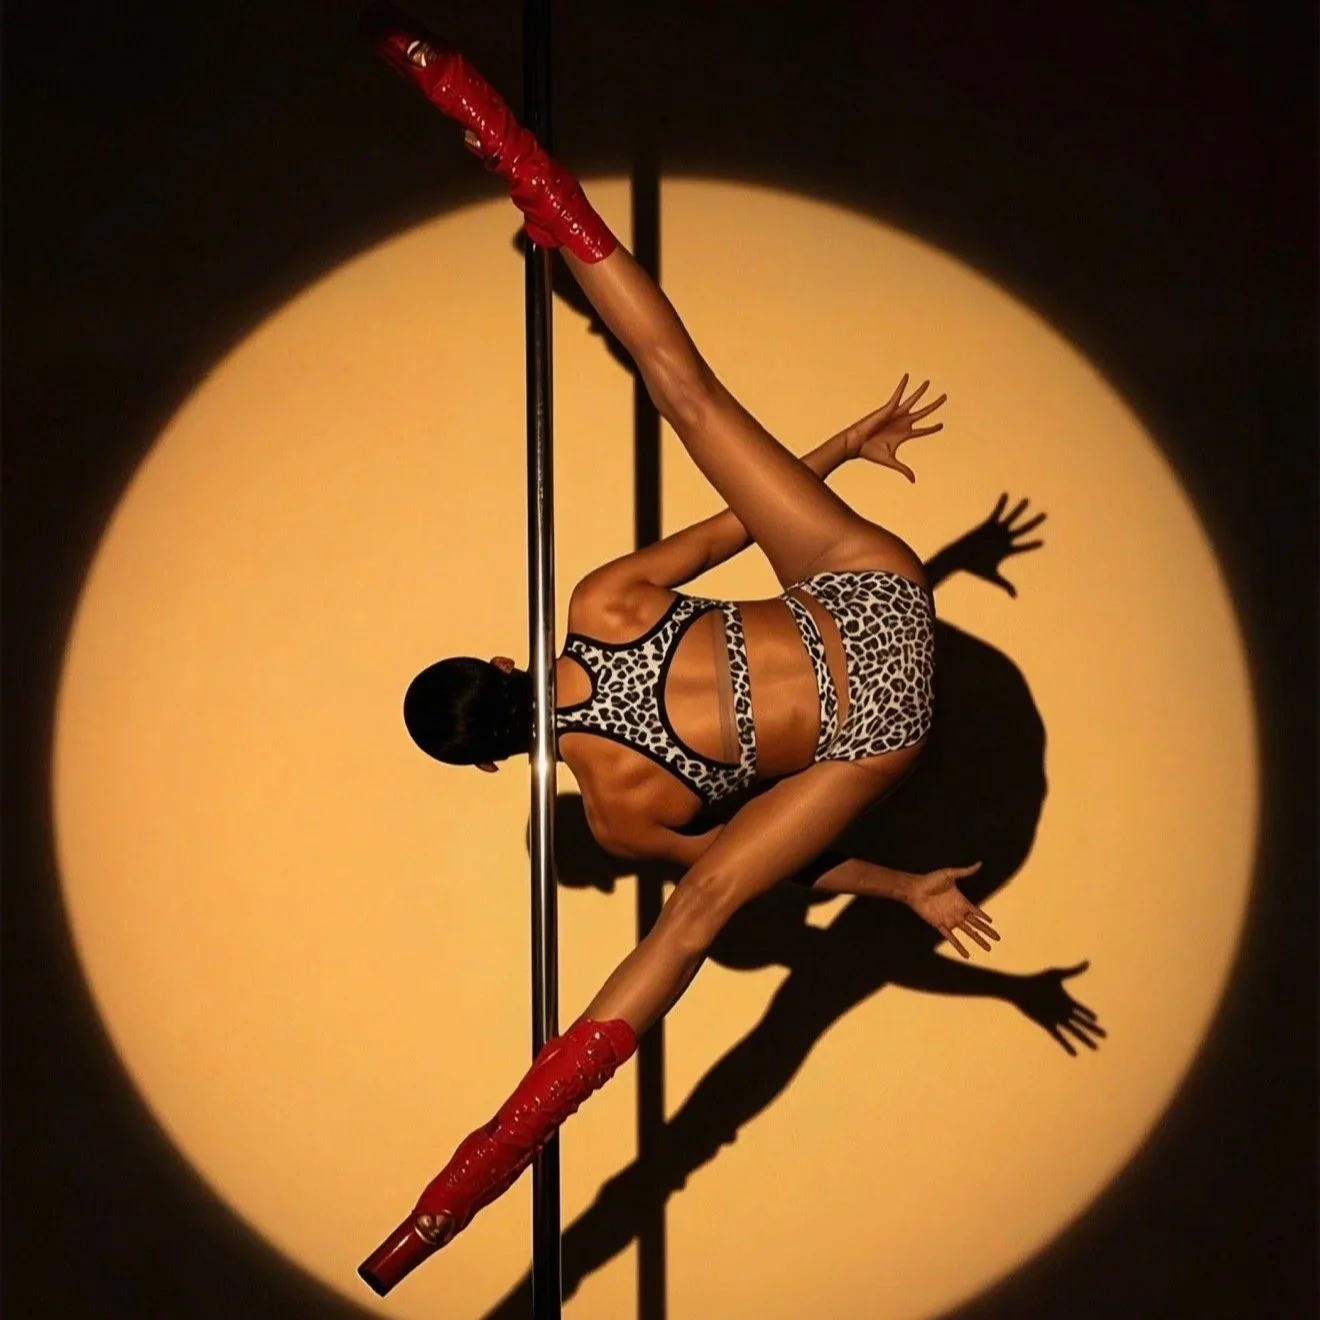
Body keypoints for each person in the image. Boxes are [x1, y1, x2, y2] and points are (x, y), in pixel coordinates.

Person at [357, 3, 997, 1293]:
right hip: (877, 595)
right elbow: (725, 501)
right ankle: (476, 113)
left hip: (882, 732)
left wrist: (903, 891)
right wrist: (840, 450)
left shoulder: (620, 812)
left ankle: (447, 1210)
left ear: (495, 764)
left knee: (695, 922)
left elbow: (754, 886)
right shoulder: (598, 605)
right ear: (496, 664)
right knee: (685, 388)